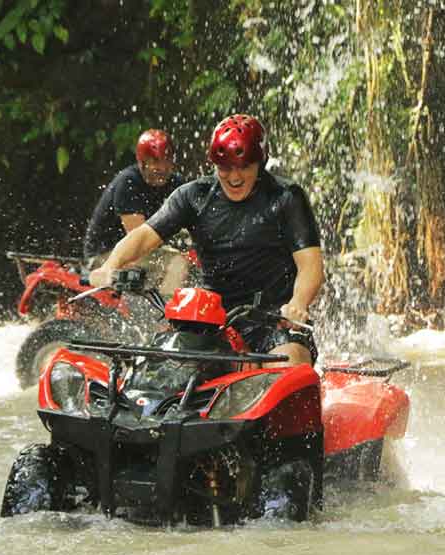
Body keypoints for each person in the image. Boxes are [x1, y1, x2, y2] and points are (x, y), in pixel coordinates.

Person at [90, 114, 325, 366]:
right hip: (210, 319)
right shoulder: (193, 195)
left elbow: (311, 266)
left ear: (260, 162)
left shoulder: (287, 197)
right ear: (214, 164)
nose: (234, 177)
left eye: (244, 166)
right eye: (225, 168)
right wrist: (110, 265)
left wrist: (298, 304)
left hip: (275, 318)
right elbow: (144, 236)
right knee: (162, 370)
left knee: (288, 366)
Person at [82, 128, 189, 294]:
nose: (162, 167)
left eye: (166, 160)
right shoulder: (128, 183)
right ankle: (167, 316)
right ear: (142, 162)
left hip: (143, 251)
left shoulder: (177, 184)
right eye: (155, 161)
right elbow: (138, 238)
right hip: (106, 256)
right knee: (177, 262)